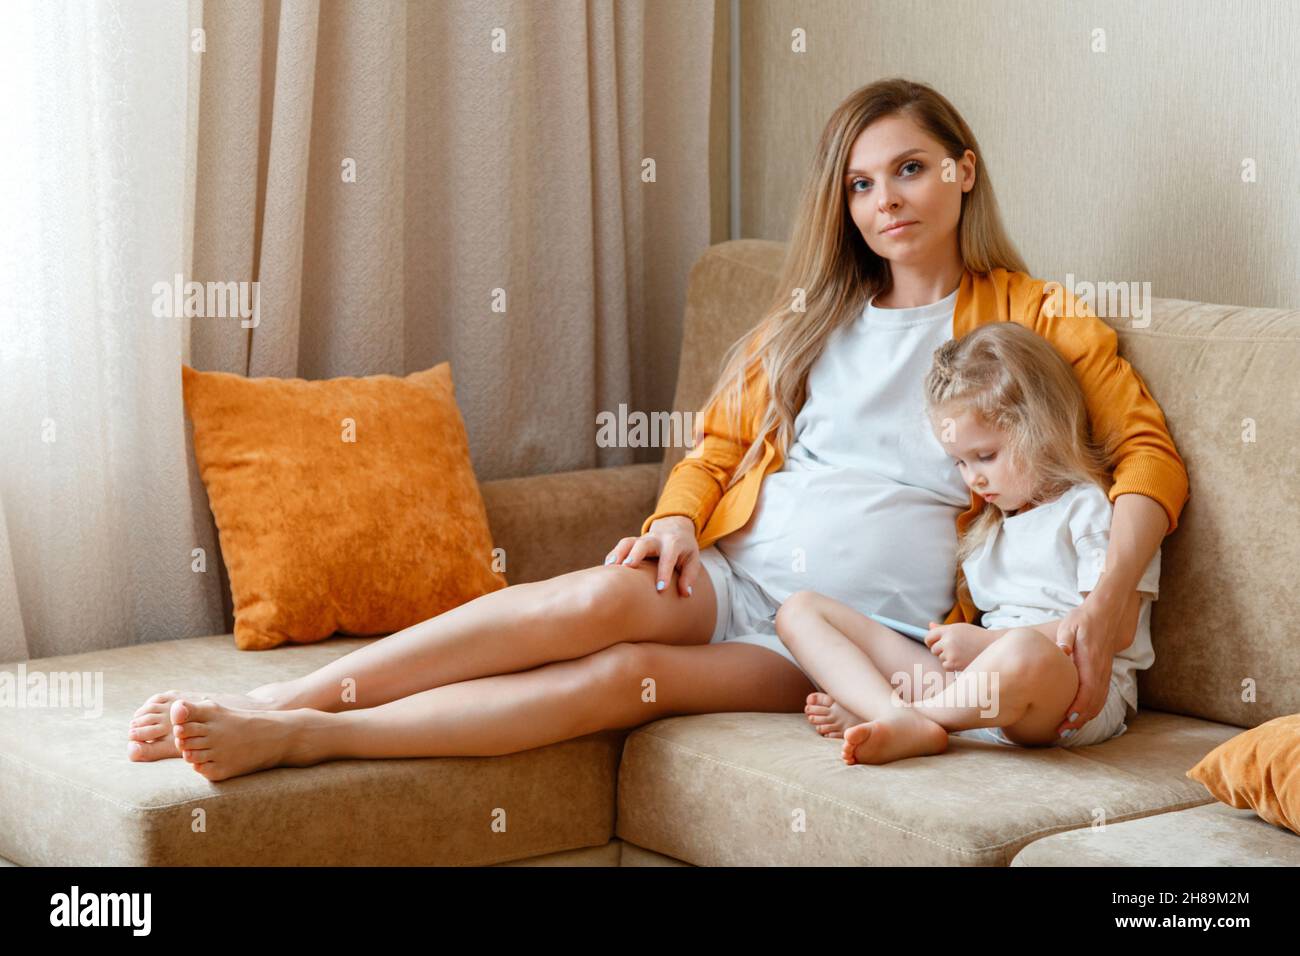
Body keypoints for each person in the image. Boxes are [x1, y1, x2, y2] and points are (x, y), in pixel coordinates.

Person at [127, 77, 1188, 782]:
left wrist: (1100, 607)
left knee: (610, 683)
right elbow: (716, 451)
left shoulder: (1035, 318)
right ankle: (291, 696)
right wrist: (678, 522)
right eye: (859, 185)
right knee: (591, 597)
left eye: (908, 168)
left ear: (963, 169)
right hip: (737, 570)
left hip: (859, 631)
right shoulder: (809, 317)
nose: (884, 202)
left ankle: (313, 740)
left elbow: (1146, 455)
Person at [774, 321, 1162, 765]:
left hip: (1072, 693)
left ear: (1041, 427)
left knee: (1023, 652)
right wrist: (965, 647)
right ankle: (896, 715)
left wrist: (985, 644)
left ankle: (909, 716)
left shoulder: (1089, 508)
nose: (973, 478)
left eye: (986, 456)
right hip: (978, 686)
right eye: (959, 462)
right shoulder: (987, 528)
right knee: (800, 610)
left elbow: (1117, 627)